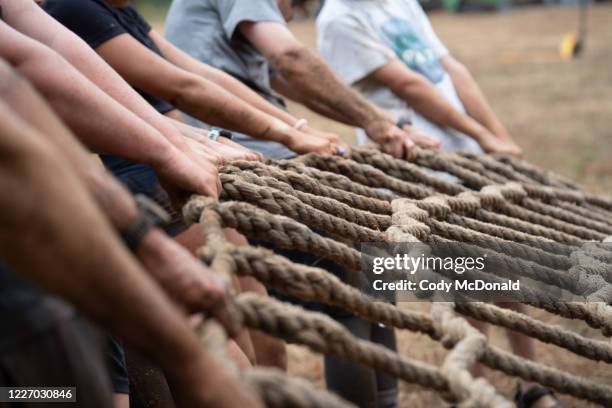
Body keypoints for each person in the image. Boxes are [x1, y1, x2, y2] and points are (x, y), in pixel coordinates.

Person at [0, 61, 262, 408]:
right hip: (29, 296)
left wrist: (188, 145)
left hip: (67, 264)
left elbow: (22, 71)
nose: (38, 2)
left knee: (99, 395)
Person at [165, 0, 438, 162]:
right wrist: (378, 124)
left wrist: (388, 124)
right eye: (291, 5)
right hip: (244, 146)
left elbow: (298, 85)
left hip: (255, 141)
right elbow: (291, 58)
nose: (286, 17)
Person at [316, 0, 522, 156]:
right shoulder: (339, 20)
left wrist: (499, 137)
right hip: (418, 158)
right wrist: (482, 135)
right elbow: (409, 86)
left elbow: (451, 67)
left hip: (464, 147)